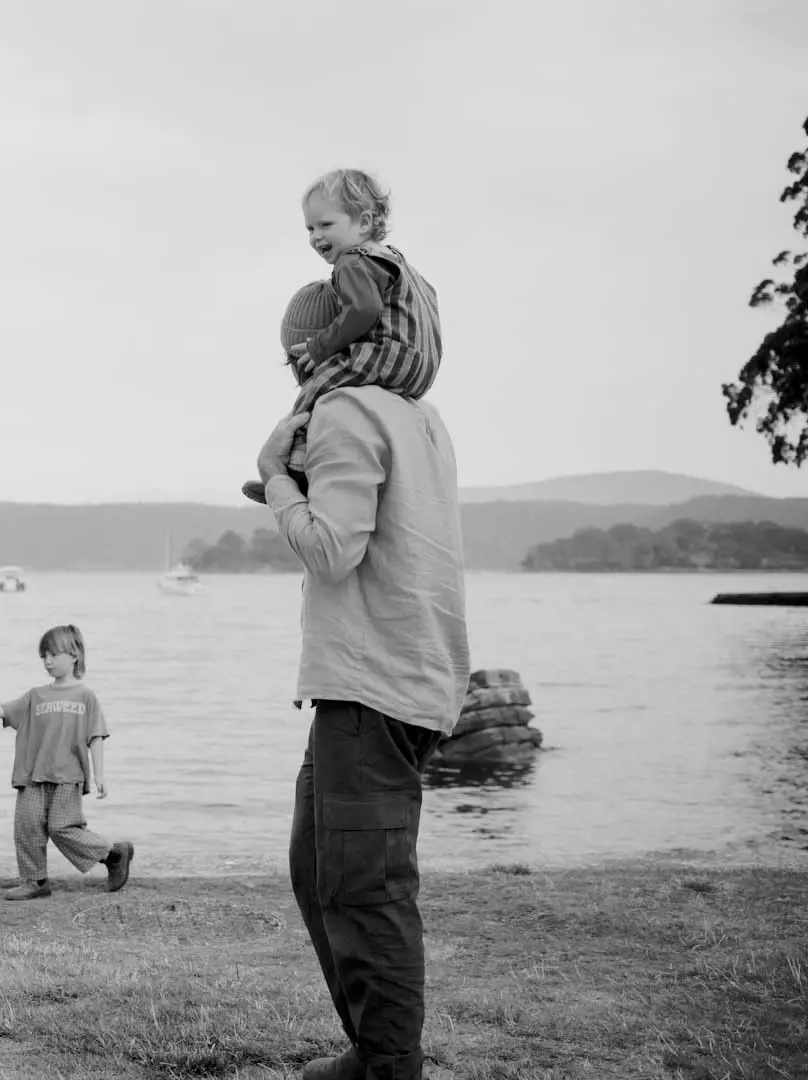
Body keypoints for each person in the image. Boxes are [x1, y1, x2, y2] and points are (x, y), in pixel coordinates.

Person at [257, 355, 470, 1080]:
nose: (296, 366)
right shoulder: (418, 415)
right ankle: (372, 1050)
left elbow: (330, 550)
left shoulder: (348, 411)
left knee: (366, 888)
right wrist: (299, 488)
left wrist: (279, 480)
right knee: (318, 868)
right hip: (390, 673)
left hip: (373, 681)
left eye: (298, 352)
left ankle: (389, 1066)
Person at [242, 168, 442, 504]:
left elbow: (363, 310)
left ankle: (295, 470)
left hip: (391, 355)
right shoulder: (399, 262)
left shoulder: (353, 261)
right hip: (423, 367)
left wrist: (322, 347)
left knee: (320, 385)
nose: (316, 236)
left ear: (363, 223)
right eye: (310, 228)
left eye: (325, 225)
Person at [0, 624, 132, 900]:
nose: (47, 661)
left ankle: (113, 854)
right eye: (44, 656)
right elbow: (4, 710)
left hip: (68, 776)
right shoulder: (36, 696)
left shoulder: (86, 696)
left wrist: (100, 775)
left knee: (62, 827)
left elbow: (96, 736)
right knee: (27, 826)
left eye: (53, 654)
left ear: (74, 655)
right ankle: (35, 881)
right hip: (32, 776)